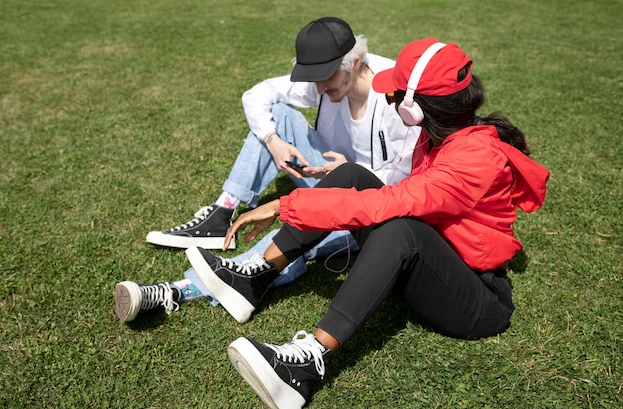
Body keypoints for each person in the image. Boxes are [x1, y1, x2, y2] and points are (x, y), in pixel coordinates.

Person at [184, 38, 550, 408]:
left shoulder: (474, 158)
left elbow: (393, 202)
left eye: (394, 98)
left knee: (400, 229)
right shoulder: (442, 135)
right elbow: (395, 187)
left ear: (415, 110)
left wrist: (284, 204)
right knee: (353, 174)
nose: (389, 103)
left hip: (478, 303)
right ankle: (257, 275)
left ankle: (306, 365)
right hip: (438, 262)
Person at [114, 17, 422, 322]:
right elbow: (257, 95)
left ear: (354, 62)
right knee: (277, 114)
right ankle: (223, 212)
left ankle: (179, 290)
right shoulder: (327, 82)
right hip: (328, 174)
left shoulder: (397, 100)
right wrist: (274, 141)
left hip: (368, 207)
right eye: (313, 77)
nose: (317, 87)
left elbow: (406, 189)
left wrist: (352, 172)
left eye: (324, 76)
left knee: (294, 234)